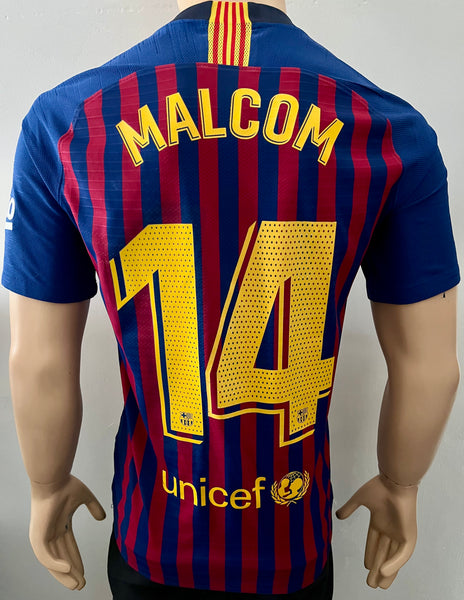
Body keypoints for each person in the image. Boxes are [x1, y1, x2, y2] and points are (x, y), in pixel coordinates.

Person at [3, 1, 460, 598]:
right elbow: (430, 368)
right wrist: (401, 485)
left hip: (153, 539)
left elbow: (39, 362)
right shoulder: (391, 131)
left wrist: (45, 486)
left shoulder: (67, 124)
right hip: (292, 546)